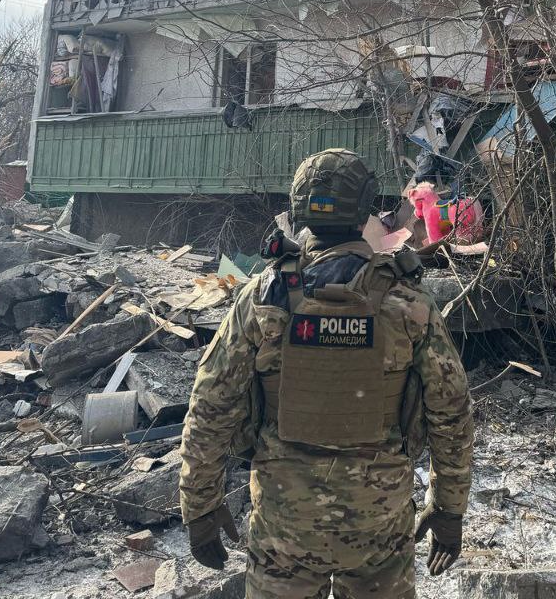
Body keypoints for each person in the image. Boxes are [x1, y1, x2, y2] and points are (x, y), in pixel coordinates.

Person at [179, 147, 474, 598]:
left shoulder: (264, 297)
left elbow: (211, 405)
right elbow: (450, 411)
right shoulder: (408, 302)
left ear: (298, 210)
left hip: (283, 527)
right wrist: (449, 509)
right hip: (379, 526)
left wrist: (199, 506)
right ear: (365, 211)